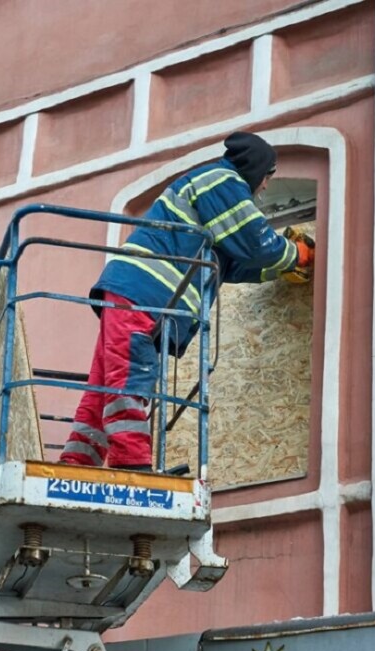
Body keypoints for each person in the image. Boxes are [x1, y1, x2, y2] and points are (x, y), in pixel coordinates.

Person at [59, 131, 314, 471]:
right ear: (256, 169)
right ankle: (131, 465)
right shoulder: (223, 182)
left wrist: (279, 272)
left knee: (104, 383)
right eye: (268, 177)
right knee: (130, 377)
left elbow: (234, 265)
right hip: (143, 294)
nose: (266, 187)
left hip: (133, 293)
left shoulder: (215, 195)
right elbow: (255, 242)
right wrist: (295, 254)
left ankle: (77, 463)